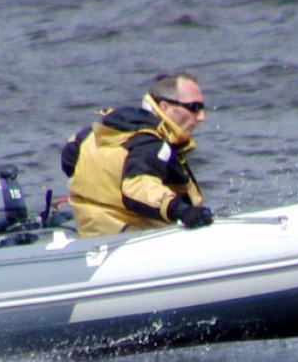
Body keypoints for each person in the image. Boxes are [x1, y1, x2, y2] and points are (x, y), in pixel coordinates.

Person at [61, 73, 214, 238]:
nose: (201, 117)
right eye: (194, 107)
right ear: (165, 107)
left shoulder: (99, 134)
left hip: (93, 232)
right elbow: (138, 187)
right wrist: (181, 210)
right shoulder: (150, 144)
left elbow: (69, 158)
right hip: (126, 236)